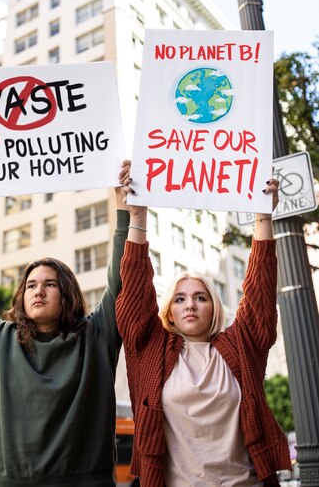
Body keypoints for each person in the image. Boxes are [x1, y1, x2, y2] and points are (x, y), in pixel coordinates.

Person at [0, 162, 132, 487]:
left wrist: (123, 208)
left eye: (50, 284)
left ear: (67, 292)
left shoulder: (97, 336)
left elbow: (123, 278)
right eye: (30, 285)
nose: (38, 290)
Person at [115, 176, 292, 487]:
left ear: (214, 307)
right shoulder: (151, 348)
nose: (190, 305)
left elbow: (260, 296)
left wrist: (264, 217)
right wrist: (137, 216)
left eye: (200, 297)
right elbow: (134, 295)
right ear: (169, 310)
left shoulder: (240, 345)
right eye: (180, 299)